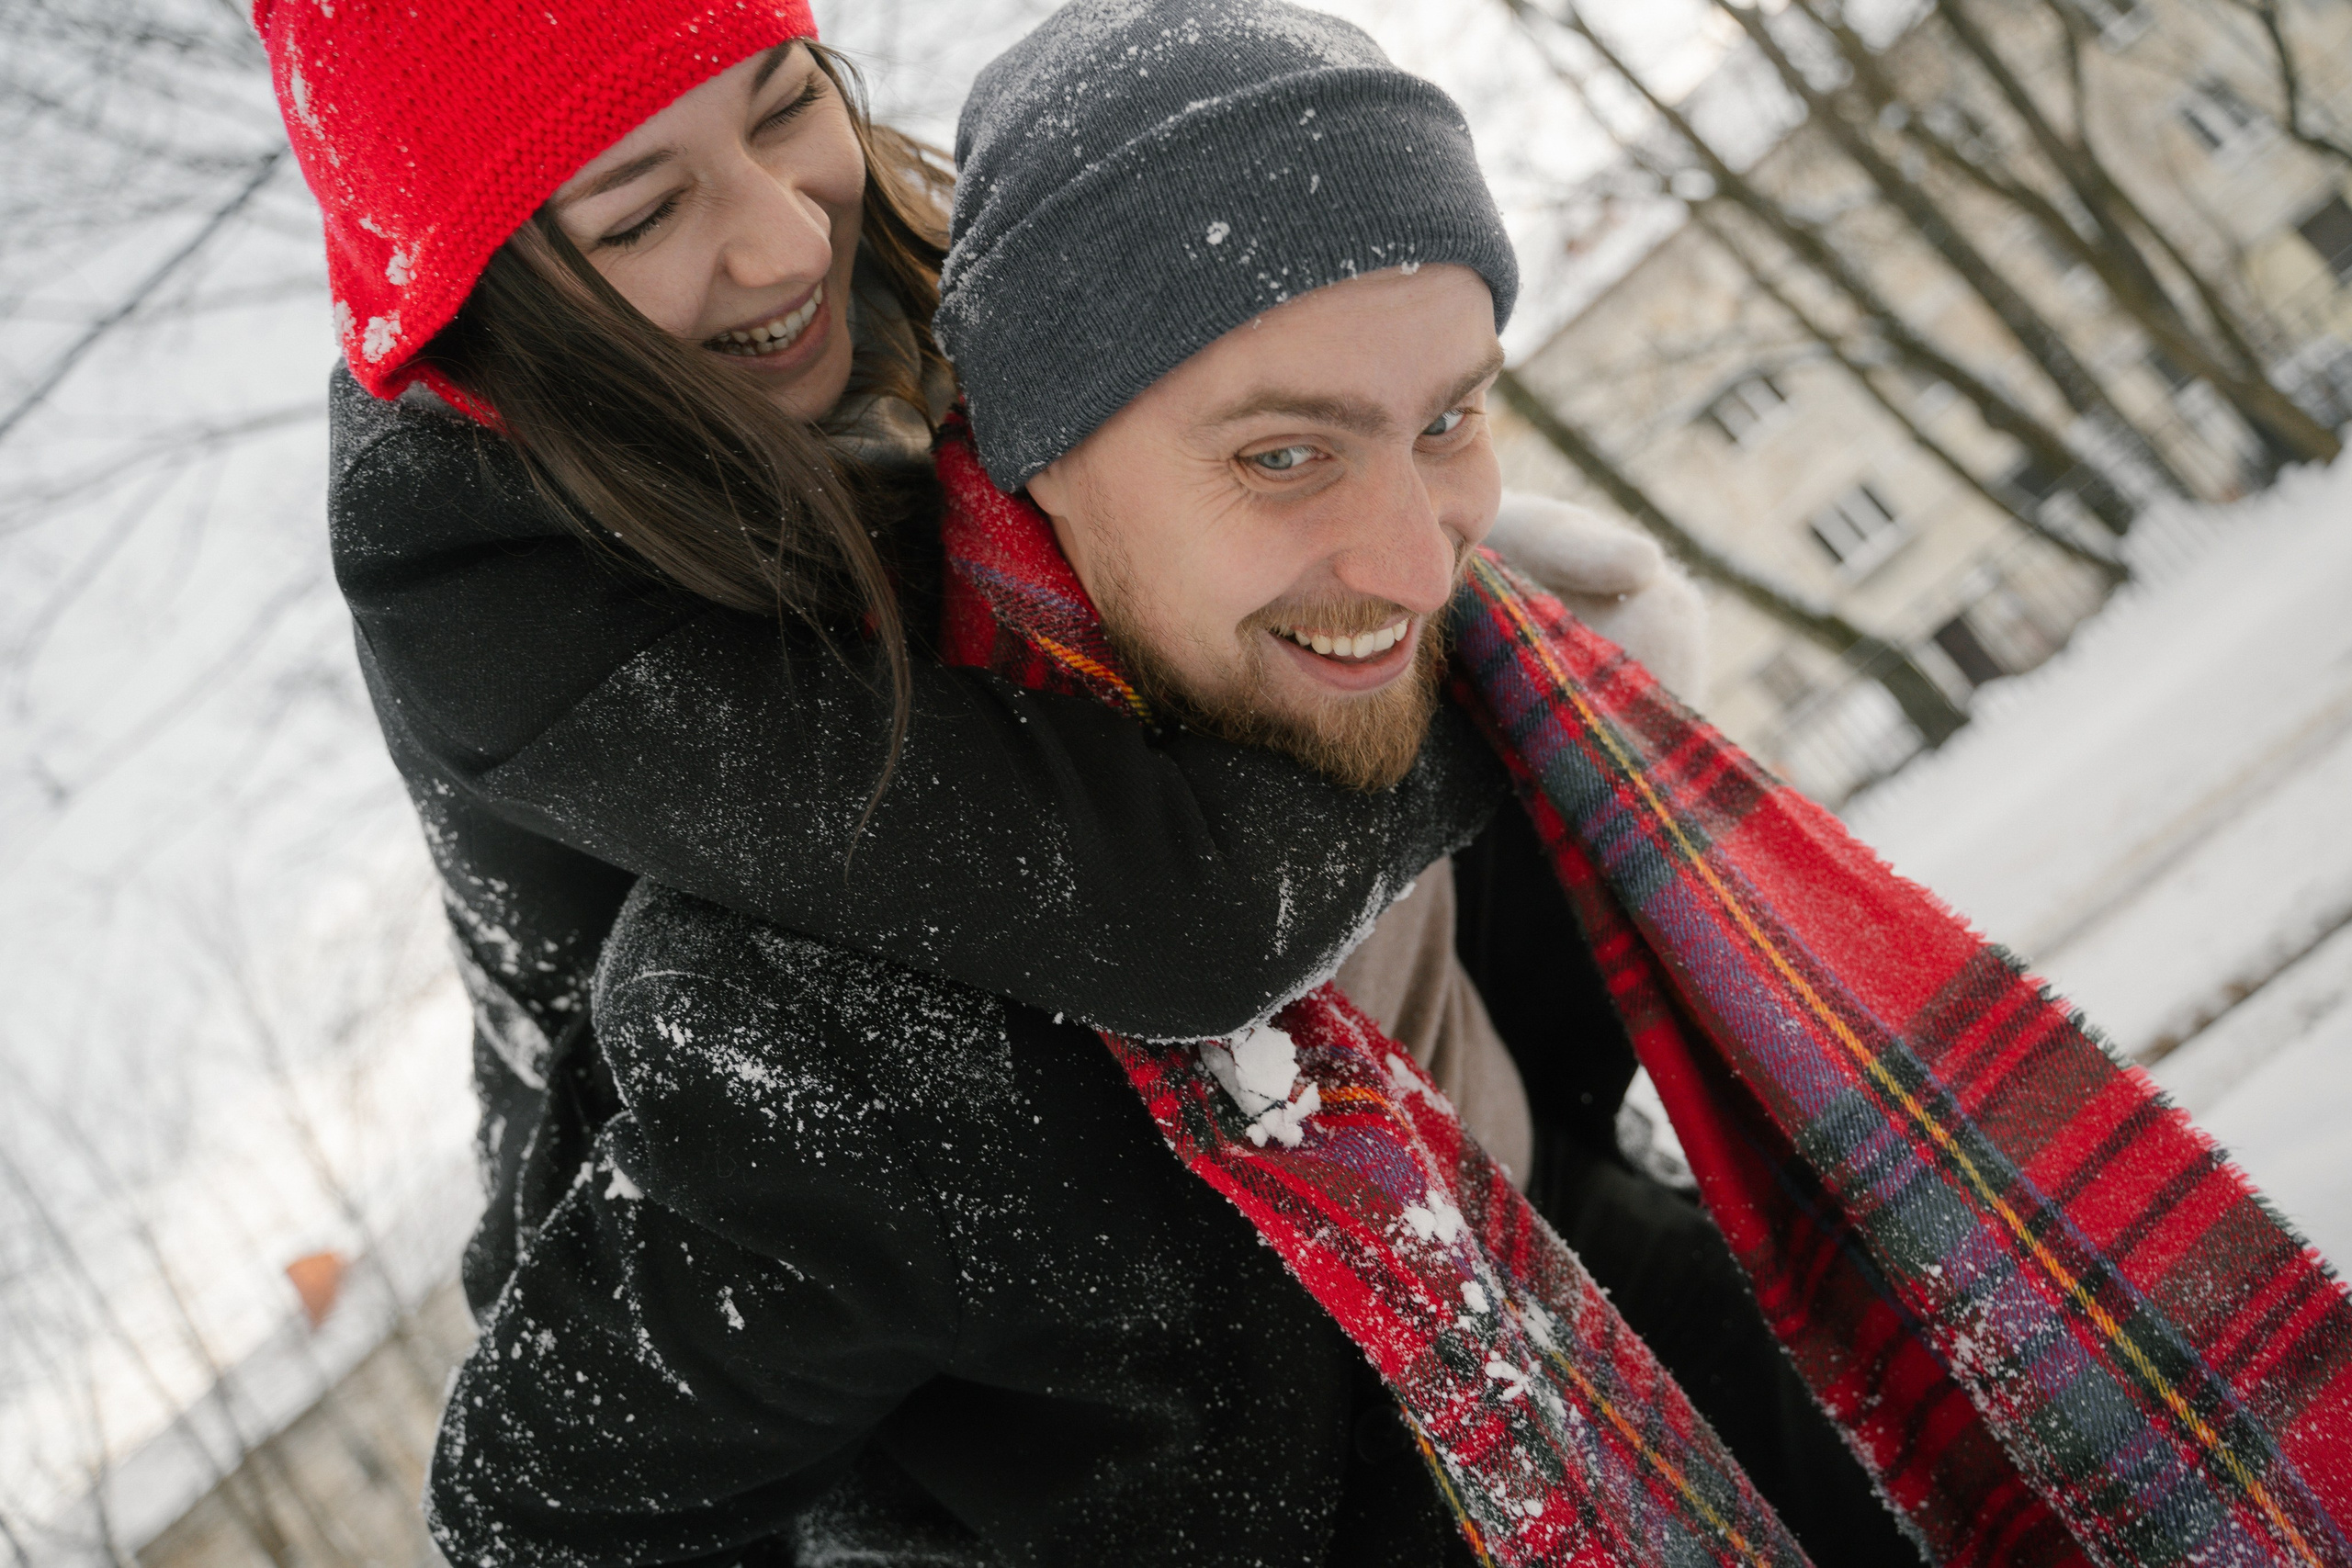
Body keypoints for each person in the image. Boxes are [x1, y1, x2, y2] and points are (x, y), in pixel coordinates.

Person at [422, 5, 1920, 1563]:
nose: (1421, 558)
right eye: (1285, 455)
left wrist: (1502, 697)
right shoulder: (829, 1030)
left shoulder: (1392, 625)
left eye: (1449, 417)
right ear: (1028, 453)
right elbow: (535, 1514)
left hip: (1594, 1279)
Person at [259, 0, 1698, 1322]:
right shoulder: (488, 595)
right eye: (642, 217)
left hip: (1461, 1143)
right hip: (1070, 1384)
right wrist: (1465, 658)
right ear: (492, 302)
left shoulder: (907, 257)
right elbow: (1168, 911)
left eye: (781, 108)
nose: (785, 242)